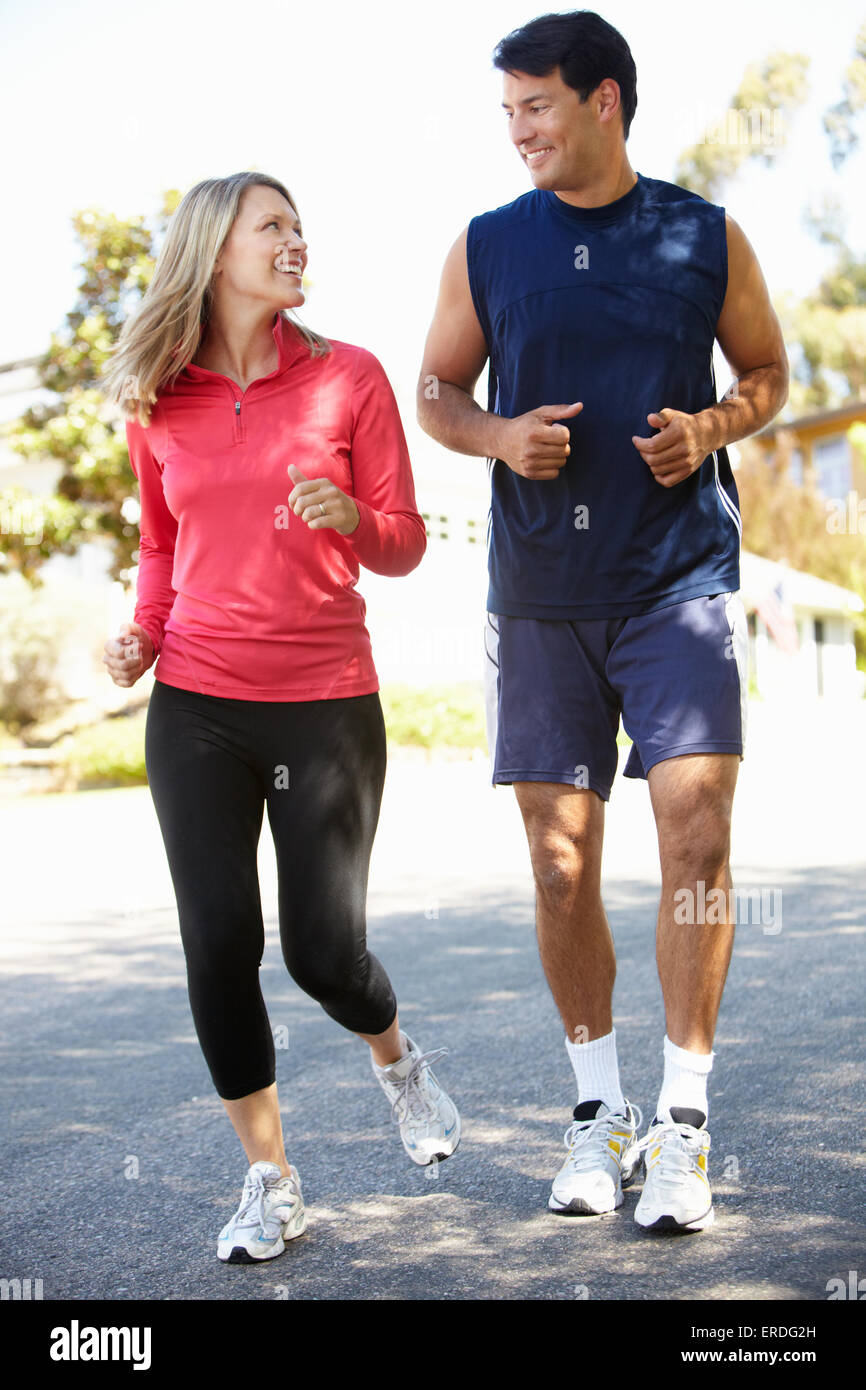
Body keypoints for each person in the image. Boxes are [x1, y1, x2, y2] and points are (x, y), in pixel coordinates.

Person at [417, 11, 787, 1232]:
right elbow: (435, 389)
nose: (518, 130)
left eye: (536, 105)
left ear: (604, 102)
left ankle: (680, 1123)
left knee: (693, 833)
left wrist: (710, 431)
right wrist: (494, 437)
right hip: (537, 597)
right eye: (507, 112)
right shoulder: (483, 246)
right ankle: (597, 1112)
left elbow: (767, 375)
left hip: (676, 579)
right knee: (559, 861)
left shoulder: (702, 234)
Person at [100, 171, 459, 1264]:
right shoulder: (159, 396)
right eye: (273, 226)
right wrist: (142, 634)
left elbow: (402, 540)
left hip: (323, 705)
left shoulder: (347, 377)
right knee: (217, 943)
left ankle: (395, 1061)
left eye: (299, 225)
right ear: (216, 252)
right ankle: (272, 1179)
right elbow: (163, 546)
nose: (295, 240)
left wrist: (351, 514)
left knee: (322, 954)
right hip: (198, 706)